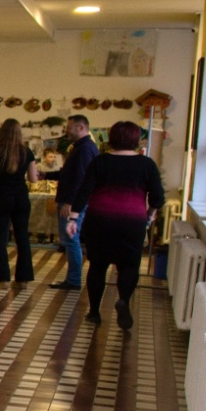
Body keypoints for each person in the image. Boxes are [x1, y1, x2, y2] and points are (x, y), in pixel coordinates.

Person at [70, 120, 165, 329]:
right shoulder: (147, 164)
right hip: (132, 222)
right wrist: (149, 216)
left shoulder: (100, 162)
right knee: (129, 265)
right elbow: (158, 197)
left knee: (98, 266)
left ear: (112, 138)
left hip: (100, 220)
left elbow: (84, 191)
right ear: (136, 139)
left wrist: (73, 218)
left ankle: (94, 312)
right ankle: (123, 300)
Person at [0, 119, 42, 285]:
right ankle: (24, 277)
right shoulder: (26, 152)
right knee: (22, 236)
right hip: (21, 196)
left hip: (1, 195)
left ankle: (0, 276)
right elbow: (33, 179)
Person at [45, 114, 98, 291]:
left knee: (70, 240)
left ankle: (74, 279)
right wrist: (46, 175)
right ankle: (72, 278)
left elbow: (80, 179)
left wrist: (69, 202)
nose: (66, 131)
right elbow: (68, 174)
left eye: (69, 127)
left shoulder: (84, 149)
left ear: (81, 128)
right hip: (72, 201)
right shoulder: (80, 148)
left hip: (73, 203)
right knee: (69, 240)